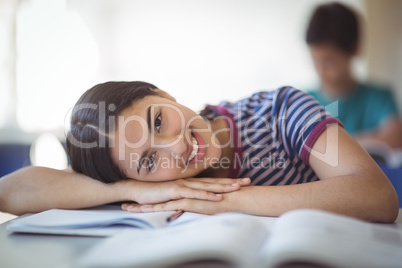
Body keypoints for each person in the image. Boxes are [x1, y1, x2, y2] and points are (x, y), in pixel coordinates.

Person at [0, 81, 398, 223]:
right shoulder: (142, 182)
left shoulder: (280, 110)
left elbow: (377, 197)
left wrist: (229, 200)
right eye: (149, 161)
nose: (177, 146)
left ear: (164, 93)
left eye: (158, 121)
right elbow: (10, 191)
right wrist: (126, 190)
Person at [305, 2, 402, 148]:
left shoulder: (378, 98)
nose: (321, 70)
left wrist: (328, 144)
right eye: (315, 60)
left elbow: (395, 138)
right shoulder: (304, 103)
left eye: (329, 61)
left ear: (355, 49)